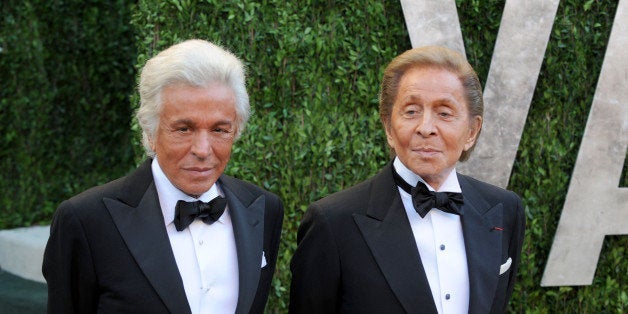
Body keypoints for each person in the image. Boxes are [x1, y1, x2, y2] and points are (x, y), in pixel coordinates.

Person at [43, 39, 284, 314]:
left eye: (219, 130)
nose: (203, 150)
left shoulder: (264, 208)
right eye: (183, 129)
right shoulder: (85, 221)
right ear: (150, 131)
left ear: (236, 130)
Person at [289, 46, 525, 314]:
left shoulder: (504, 209)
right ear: (389, 127)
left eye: (444, 113)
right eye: (411, 111)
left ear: (471, 130)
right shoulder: (332, 222)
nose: (426, 128)